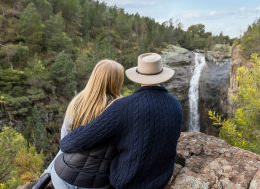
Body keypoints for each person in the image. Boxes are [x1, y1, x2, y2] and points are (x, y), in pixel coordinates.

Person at [59, 53, 183, 189]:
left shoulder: (123, 107)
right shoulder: (176, 105)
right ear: (162, 74)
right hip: (161, 180)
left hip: (126, 183)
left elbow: (76, 141)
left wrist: (65, 143)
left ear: (138, 75)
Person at [34, 59, 124, 189]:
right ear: (117, 81)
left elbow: (65, 140)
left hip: (62, 176)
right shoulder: (120, 107)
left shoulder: (77, 102)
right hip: (95, 182)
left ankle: (45, 176)